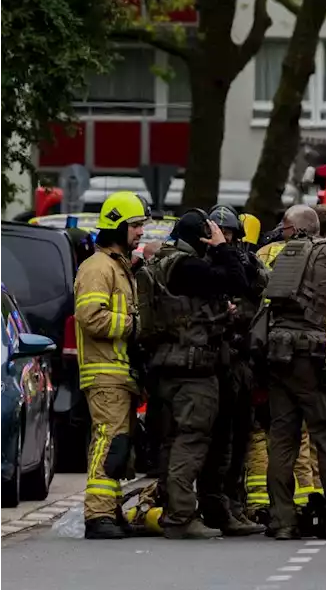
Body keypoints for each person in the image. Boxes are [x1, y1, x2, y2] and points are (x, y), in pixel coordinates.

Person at [147, 209, 251, 539]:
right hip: (193, 368)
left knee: (172, 440)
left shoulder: (162, 261)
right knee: (191, 440)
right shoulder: (187, 265)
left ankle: (174, 509)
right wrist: (222, 248)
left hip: (166, 364)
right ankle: (180, 516)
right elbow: (238, 281)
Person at [261, 205, 326, 540]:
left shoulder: (281, 255)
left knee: (282, 441)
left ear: (292, 227)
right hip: (314, 358)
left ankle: (283, 521)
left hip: (278, 356)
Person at [76, 191, 148, 539]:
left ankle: (110, 509)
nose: (140, 233)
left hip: (119, 373)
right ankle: (98, 516)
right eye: (135, 226)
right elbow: (90, 317)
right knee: (108, 440)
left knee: (119, 444)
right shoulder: (97, 268)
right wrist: (135, 325)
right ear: (117, 227)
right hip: (104, 371)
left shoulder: (119, 268)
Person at [197, 206, 267, 536]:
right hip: (214, 362)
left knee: (240, 439)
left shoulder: (246, 265)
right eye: (220, 233)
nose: (224, 239)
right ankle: (216, 506)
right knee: (217, 441)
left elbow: (256, 296)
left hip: (242, 361)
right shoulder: (202, 264)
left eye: (230, 234)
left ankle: (234, 504)